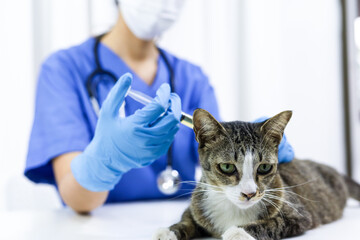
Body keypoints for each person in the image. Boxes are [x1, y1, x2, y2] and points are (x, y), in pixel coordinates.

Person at [25, 0, 294, 213]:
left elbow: (221, 166)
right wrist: (105, 161)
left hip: (179, 224)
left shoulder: (191, 77)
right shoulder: (63, 70)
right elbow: (76, 199)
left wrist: (257, 150)